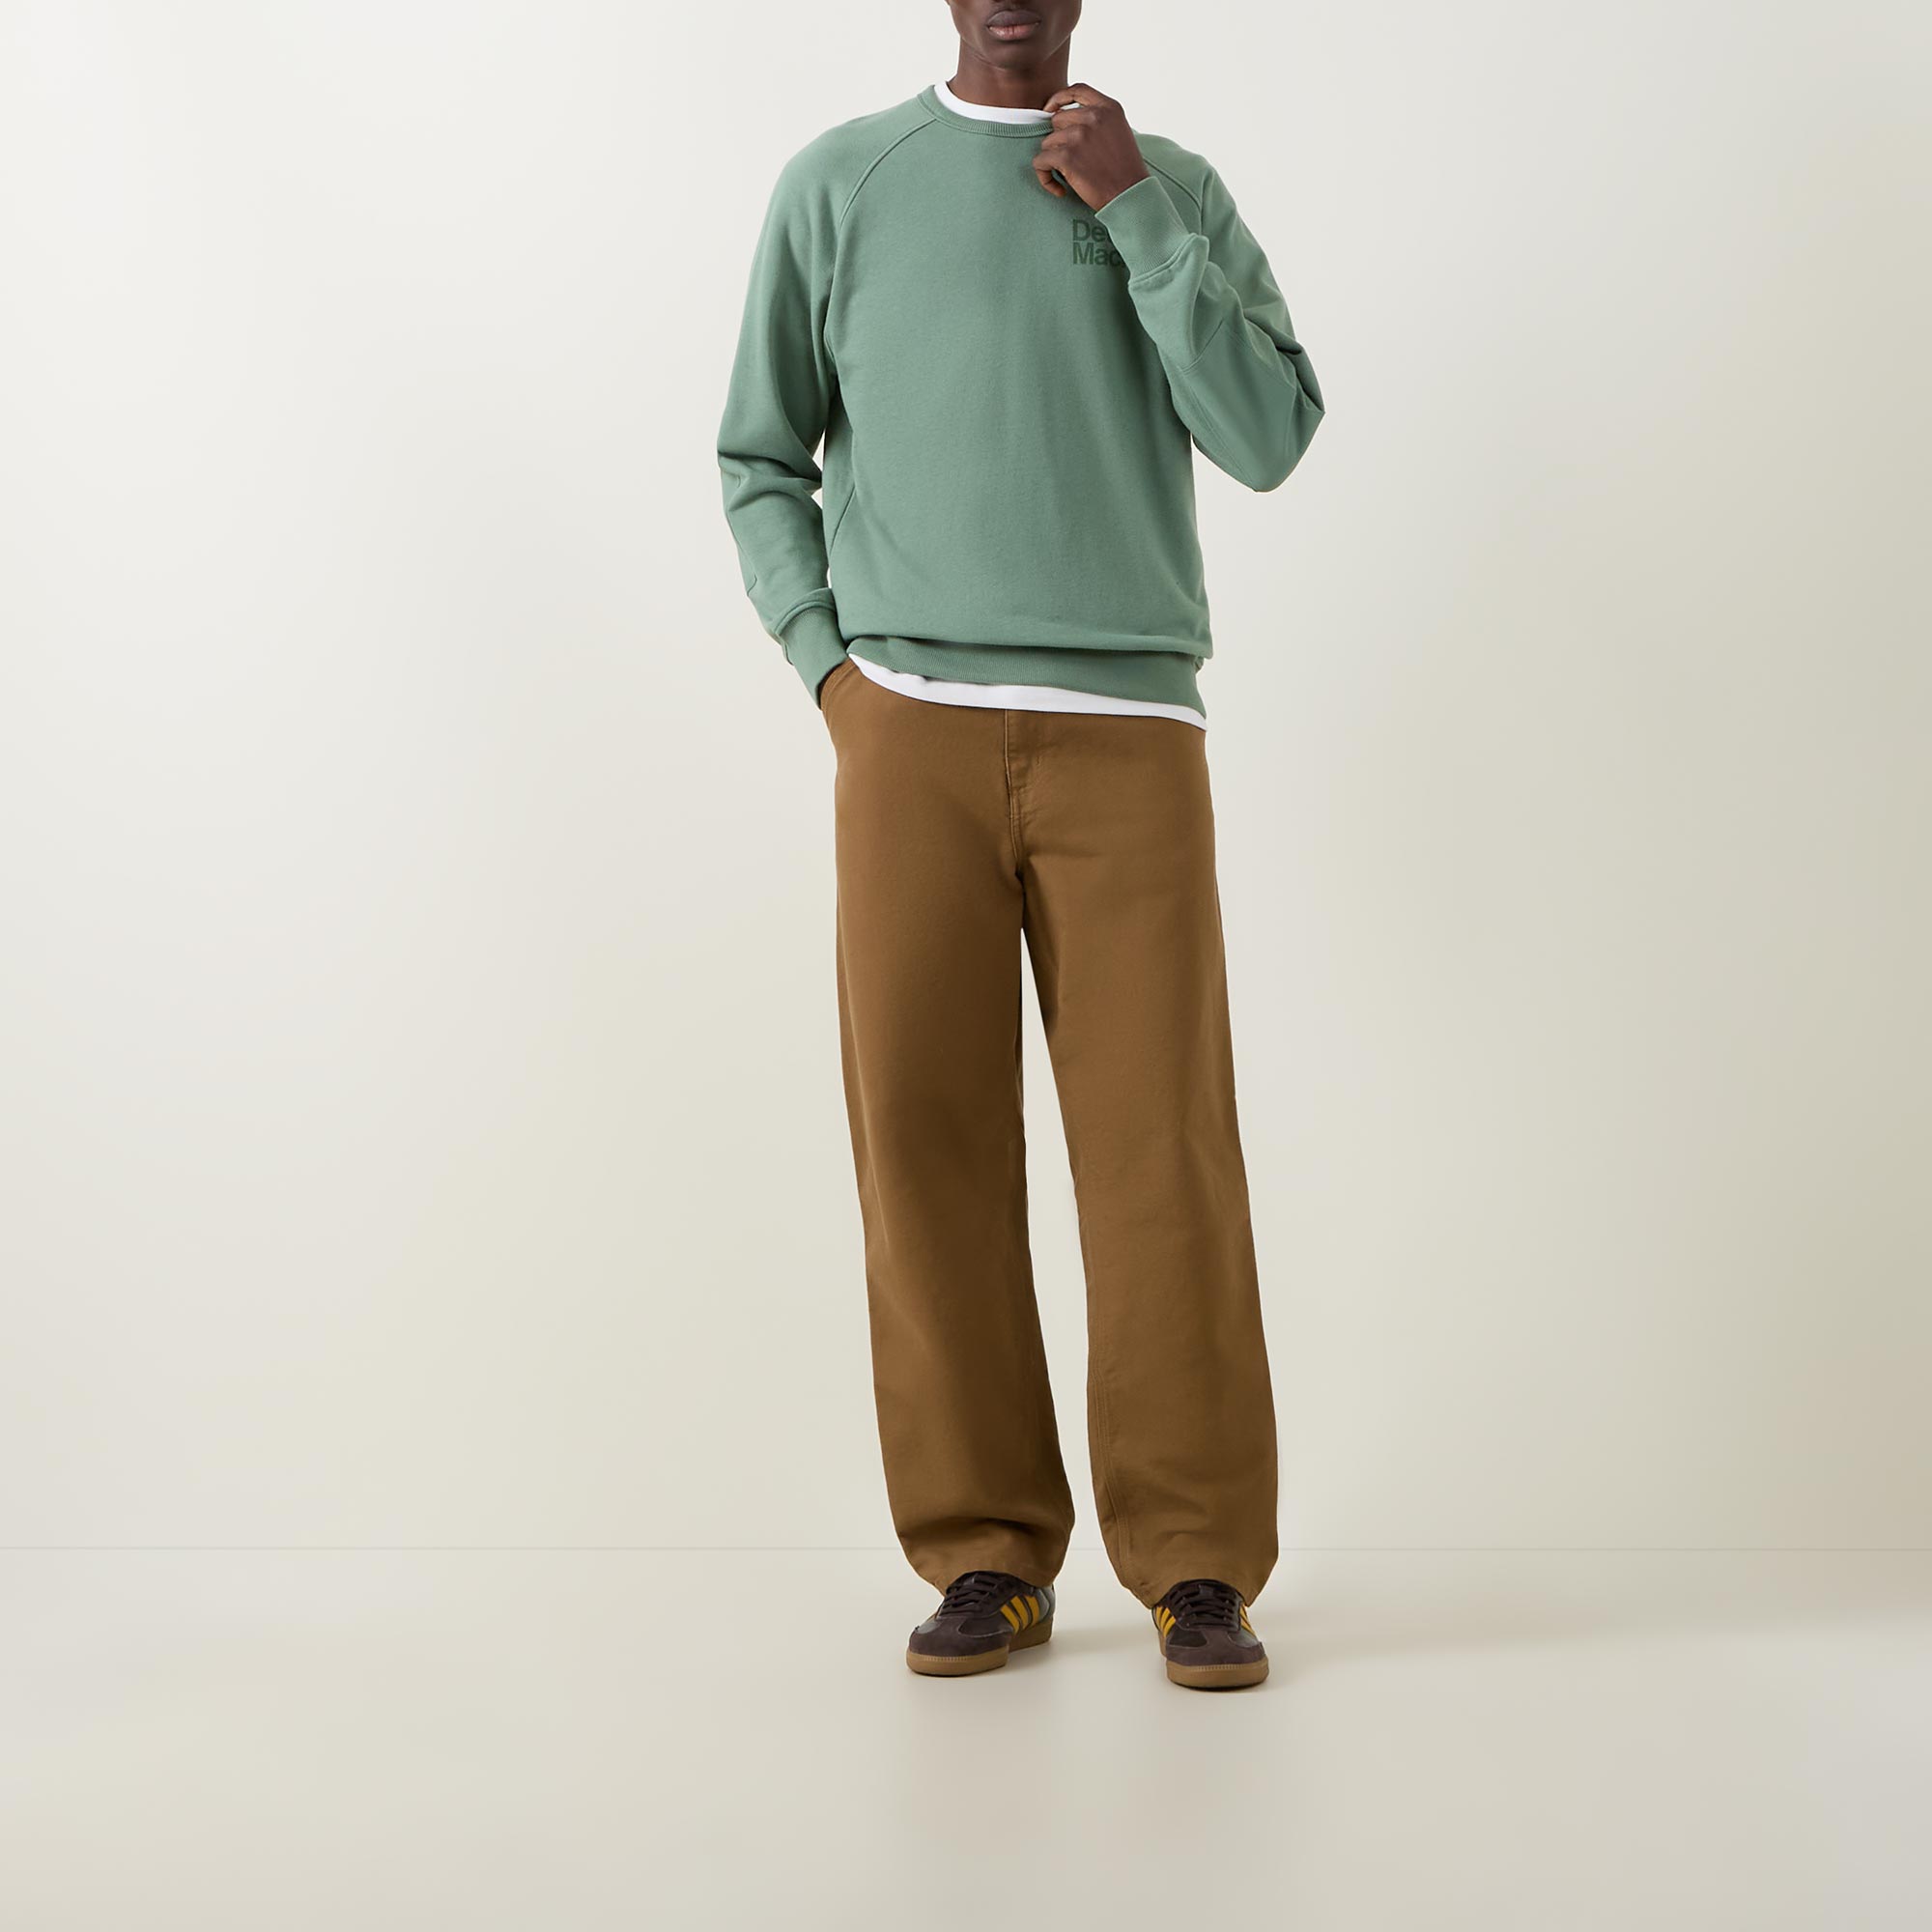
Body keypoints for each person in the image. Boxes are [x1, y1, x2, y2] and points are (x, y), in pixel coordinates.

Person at [717, 0, 1323, 1690]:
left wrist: (1133, 211)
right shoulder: (841, 181)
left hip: (1130, 736)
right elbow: (760, 452)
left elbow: (1271, 435)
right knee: (927, 1147)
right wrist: (832, 673)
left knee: (1162, 1154)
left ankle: (1197, 1561)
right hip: (906, 726)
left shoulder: (1169, 181)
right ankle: (985, 1549)